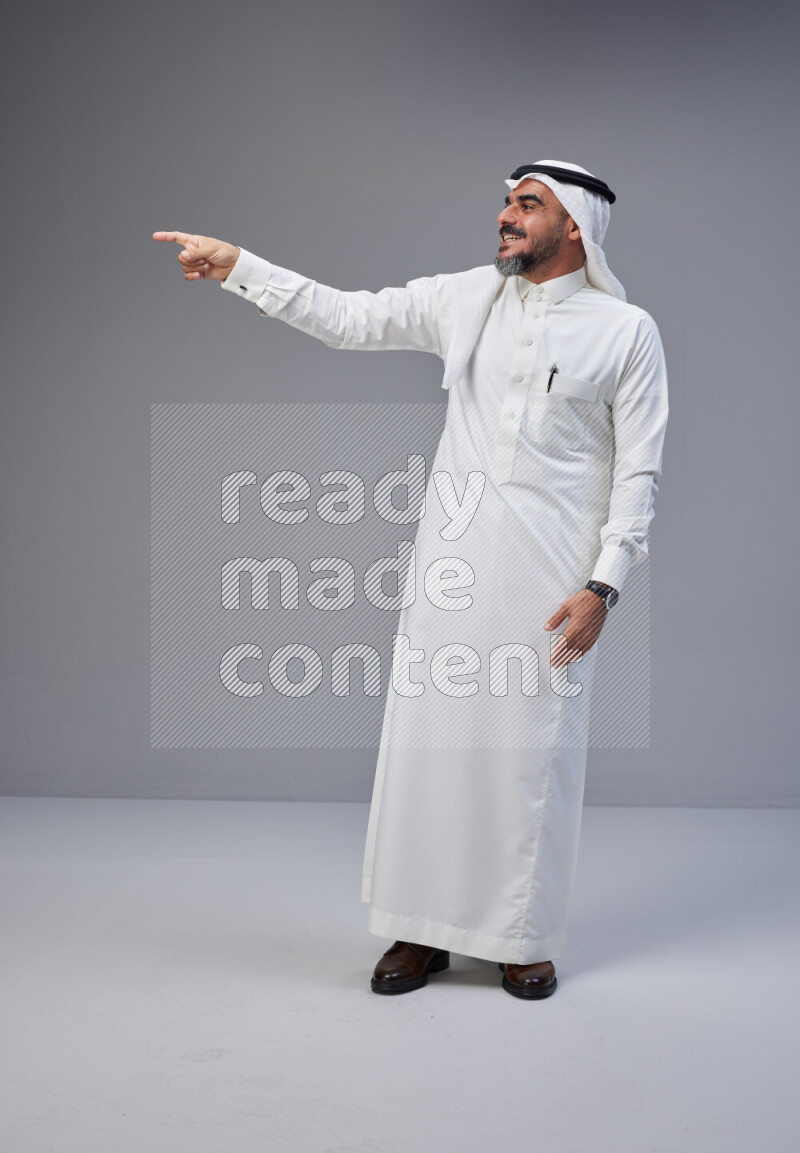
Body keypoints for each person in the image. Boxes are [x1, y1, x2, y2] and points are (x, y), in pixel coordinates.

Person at [153, 158, 669, 1000]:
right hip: (452, 571)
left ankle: (521, 936)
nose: (506, 215)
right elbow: (347, 318)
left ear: (575, 225)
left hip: (553, 584)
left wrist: (603, 586)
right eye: (506, 202)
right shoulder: (466, 298)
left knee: (529, 757)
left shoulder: (626, 333)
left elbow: (640, 474)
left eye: (527, 205)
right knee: (429, 752)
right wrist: (239, 266)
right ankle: (420, 931)